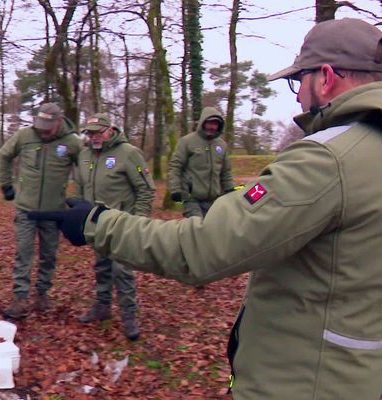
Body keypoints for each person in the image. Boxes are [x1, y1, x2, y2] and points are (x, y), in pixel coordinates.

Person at [29, 19, 382, 399]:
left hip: (306, 381)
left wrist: (96, 222)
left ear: (326, 77)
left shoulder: (327, 160)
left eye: (299, 82)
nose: (297, 97)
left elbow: (204, 246)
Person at [0, 102, 82, 319]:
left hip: (54, 211)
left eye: (48, 126)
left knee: (48, 254)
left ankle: (43, 293)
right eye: (41, 124)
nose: (43, 130)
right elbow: (4, 155)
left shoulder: (72, 142)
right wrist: (6, 185)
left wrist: (82, 197)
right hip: (26, 208)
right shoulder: (25, 135)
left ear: (59, 122)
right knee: (23, 252)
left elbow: (86, 167)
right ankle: (20, 298)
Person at [74, 113, 155, 340]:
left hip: (123, 224)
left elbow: (146, 190)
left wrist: (138, 221)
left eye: (98, 132)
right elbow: (80, 188)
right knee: (101, 266)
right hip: (96, 223)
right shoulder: (84, 155)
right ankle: (102, 307)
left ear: (111, 129)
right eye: (89, 133)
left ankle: (129, 316)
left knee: (122, 270)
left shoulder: (128, 154)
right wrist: (80, 216)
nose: (93, 137)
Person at [168, 107, 234, 218]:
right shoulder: (187, 142)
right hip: (192, 199)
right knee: (197, 228)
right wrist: (175, 189)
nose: (212, 127)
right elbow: (175, 166)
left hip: (215, 200)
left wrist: (230, 190)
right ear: (203, 122)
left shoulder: (222, 145)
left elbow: (225, 172)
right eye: (210, 123)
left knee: (214, 229)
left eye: (215, 124)